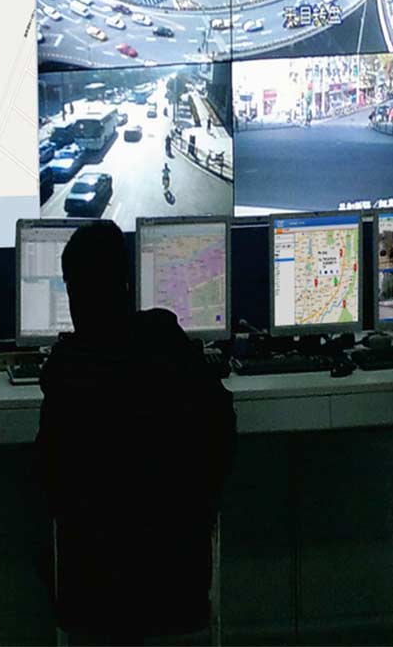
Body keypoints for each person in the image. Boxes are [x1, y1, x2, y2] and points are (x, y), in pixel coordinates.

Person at [36, 220, 236, 638]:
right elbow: (221, 427)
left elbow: (49, 480)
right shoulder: (168, 344)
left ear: (73, 295)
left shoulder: (67, 369)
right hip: (177, 580)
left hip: (93, 589)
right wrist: (200, 505)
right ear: (127, 286)